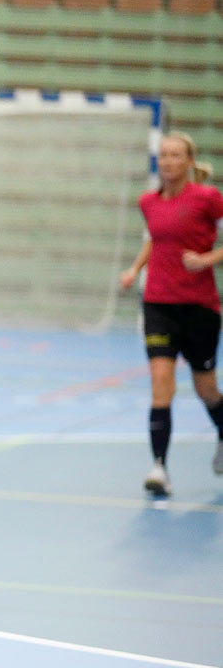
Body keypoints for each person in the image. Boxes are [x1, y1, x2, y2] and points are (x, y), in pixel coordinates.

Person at [120, 132, 223, 496]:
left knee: (205, 387)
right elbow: (154, 238)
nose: (167, 161)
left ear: (189, 161)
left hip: (200, 307)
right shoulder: (148, 202)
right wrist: (134, 270)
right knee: (161, 383)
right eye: (163, 155)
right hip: (159, 304)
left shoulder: (207, 199)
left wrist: (208, 259)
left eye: (175, 155)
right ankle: (159, 467)